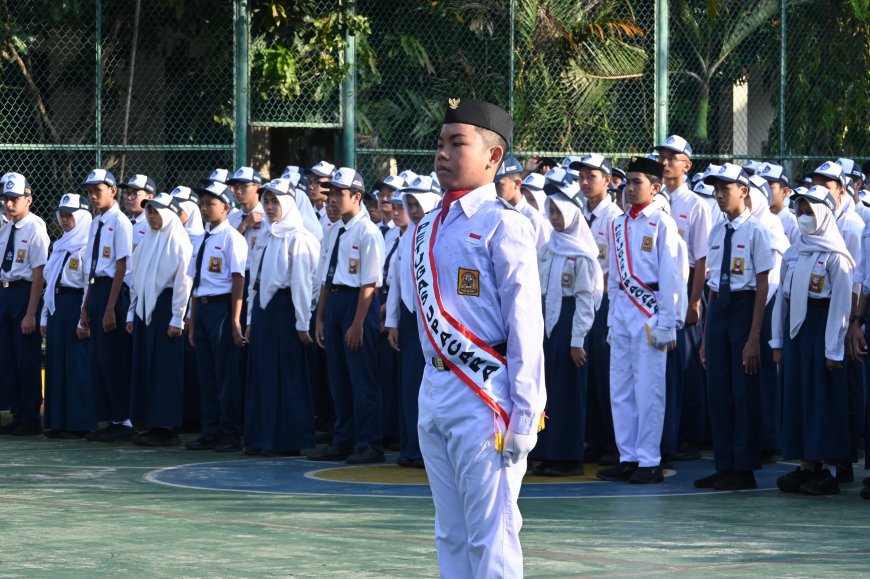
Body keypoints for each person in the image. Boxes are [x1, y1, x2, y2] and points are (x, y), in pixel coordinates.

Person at [414, 98, 545, 576]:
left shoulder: (503, 225)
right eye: (441, 143)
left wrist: (526, 416)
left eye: (457, 143)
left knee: (492, 534)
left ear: (493, 157)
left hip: (484, 395)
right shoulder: (428, 224)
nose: (443, 153)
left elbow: (526, 326)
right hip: (436, 389)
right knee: (450, 533)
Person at [597, 156, 681, 484]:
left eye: (637, 183)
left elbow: (670, 276)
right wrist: (612, 320)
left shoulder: (662, 223)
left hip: (650, 314)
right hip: (622, 316)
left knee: (649, 390)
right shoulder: (618, 224)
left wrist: (666, 322)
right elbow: (615, 278)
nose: (629, 189)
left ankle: (649, 460)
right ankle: (627, 456)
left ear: (656, 187)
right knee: (621, 389)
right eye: (627, 182)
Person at [771, 185, 853, 495]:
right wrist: (777, 341)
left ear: (824, 214)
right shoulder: (793, 252)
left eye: (810, 211)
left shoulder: (836, 256)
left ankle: (830, 469)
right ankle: (807, 464)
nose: (804, 217)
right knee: (799, 397)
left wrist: (833, 348)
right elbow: (783, 298)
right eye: (800, 211)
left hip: (821, 329)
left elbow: (841, 305)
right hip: (796, 332)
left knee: (823, 399)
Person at [695, 164, 773, 491]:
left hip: (745, 307)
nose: (719, 194)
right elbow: (712, 284)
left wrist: (754, 335)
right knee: (718, 390)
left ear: (743, 190)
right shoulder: (717, 230)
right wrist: (705, 335)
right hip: (720, 310)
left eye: (725, 188)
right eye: (716, 189)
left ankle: (744, 468)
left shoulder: (756, 230)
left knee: (743, 391)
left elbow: (762, 283)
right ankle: (723, 464)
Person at [309, 167, 386, 464]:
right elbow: (327, 277)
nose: (333, 199)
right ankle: (343, 439)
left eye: (340, 194)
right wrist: (320, 317)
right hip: (336, 302)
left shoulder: (368, 231)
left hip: (358, 304)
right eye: (331, 194)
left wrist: (357, 323)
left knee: (362, 377)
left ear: (356, 196)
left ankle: (369, 442)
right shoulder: (333, 230)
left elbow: (369, 282)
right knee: (338, 377)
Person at [244, 178, 320, 456]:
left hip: (286, 311)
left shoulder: (298, 238)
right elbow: (256, 280)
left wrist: (302, 322)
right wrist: (251, 319)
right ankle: (261, 435)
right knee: (263, 373)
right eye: (267, 200)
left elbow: (303, 283)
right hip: (265, 312)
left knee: (285, 374)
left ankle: (285, 440)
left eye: (276, 201)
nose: (270, 206)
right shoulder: (265, 235)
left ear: (289, 203)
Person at [532, 180, 602, 477]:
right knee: (549, 390)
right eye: (551, 212)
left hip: (569, 323)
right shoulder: (549, 248)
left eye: (559, 212)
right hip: (548, 322)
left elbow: (586, 299)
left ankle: (568, 456)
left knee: (568, 391)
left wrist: (577, 340)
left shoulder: (582, 255)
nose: (554, 218)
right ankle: (549, 452)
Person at [655, 135, 711, 463]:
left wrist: (693, 301)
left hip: (687, 284)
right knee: (665, 364)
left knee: (686, 365)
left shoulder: (695, 205)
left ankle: (689, 436)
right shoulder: (657, 198)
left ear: (686, 165)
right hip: (663, 285)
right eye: (663, 156)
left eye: (672, 157)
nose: (665, 162)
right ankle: (668, 432)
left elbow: (701, 258)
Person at [185, 181, 248, 452]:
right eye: (202, 203)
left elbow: (238, 279)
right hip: (203, 308)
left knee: (225, 373)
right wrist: (191, 317)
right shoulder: (202, 239)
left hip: (223, 308)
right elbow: (195, 282)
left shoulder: (232, 237)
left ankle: (230, 431)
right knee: (206, 373)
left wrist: (235, 319)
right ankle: (210, 429)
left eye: (210, 203)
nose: (204, 208)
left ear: (226, 207)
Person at [126, 193, 193, 447]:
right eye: (149, 212)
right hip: (146, 308)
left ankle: (167, 426)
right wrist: (132, 312)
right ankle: (149, 421)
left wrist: (178, 316)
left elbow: (182, 282)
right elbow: (137, 279)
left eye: (156, 212)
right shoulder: (147, 241)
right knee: (147, 363)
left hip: (165, 307)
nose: (152, 217)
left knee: (164, 367)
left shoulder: (178, 241)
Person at [384, 177, 442, 468]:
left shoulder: (439, 233)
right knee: (409, 383)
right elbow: (396, 281)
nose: (415, 209)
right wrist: (393, 321)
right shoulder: (406, 237)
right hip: (408, 319)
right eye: (411, 204)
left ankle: (428, 450)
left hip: (432, 319)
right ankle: (410, 447)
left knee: (429, 384)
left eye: (419, 203)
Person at [574, 153, 624, 466]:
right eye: (581, 176)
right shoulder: (578, 213)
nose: (584, 182)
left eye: (592, 176)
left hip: (605, 300)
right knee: (588, 373)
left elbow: (616, 264)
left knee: (607, 374)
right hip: (583, 300)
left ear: (607, 181)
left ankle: (612, 441)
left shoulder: (614, 217)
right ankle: (593, 438)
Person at [80, 169, 134, 442]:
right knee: (100, 358)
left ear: (113, 191)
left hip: (114, 291)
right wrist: (86, 304)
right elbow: (92, 267)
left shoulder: (120, 222)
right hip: (97, 290)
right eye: (90, 191)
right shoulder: (95, 223)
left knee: (114, 357)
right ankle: (110, 416)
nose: (92, 196)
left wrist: (111, 307)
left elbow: (122, 265)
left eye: (98, 190)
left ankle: (123, 419)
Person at [41, 193, 94, 438]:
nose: (64, 219)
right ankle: (58, 421)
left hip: (74, 306)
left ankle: (78, 423)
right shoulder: (60, 245)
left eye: (69, 215)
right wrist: (44, 316)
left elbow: (87, 284)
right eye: (61, 215)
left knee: (76, 366)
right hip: (56, 307)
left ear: (82, 217)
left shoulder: (86, 245)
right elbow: (49, 283)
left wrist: (82, 318)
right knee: (57, 364)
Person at [0, 173, 49, 436]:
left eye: (14, 199)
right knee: (7, 356)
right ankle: (17, 412)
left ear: (28, 199)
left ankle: (31, 417)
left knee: (26, 357)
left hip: (24, 293)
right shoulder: (5, 228)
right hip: (5, 293)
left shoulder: (35, 227)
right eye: (5, 199)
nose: (8, 204)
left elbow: (38, 273)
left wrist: (31, 312)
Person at [494, 156, 551, 250]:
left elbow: (543, 256)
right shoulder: (496, 211)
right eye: (494, 185)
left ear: (517, 183)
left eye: (499, 185)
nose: (496, 190)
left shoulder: (534, 218)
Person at [119, 174, 156, 250]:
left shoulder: (152, 225)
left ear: (149, 198)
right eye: (128, 193)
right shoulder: (126, 222)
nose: (129, 197)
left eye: (134, 194)